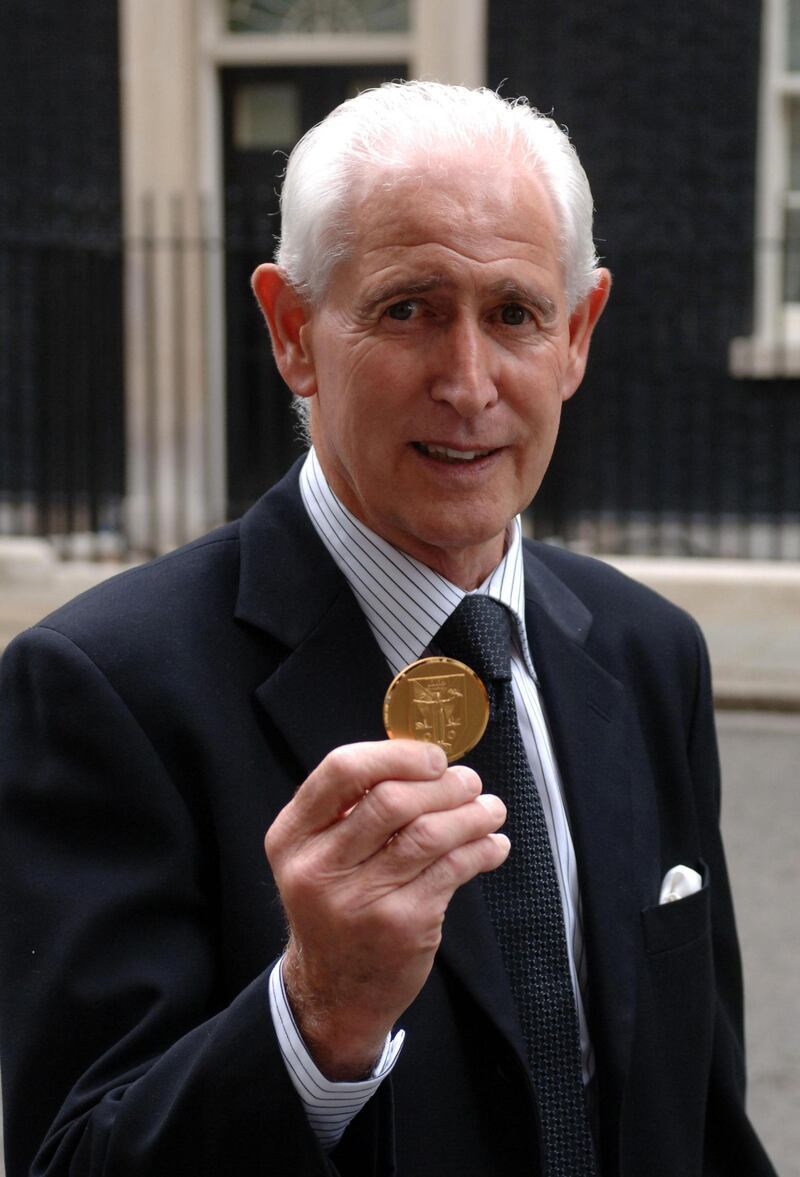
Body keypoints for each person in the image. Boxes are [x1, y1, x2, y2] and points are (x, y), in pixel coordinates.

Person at [0, 82, 777, 1177]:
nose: (466, 384)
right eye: (408, 307)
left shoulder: (646, 651)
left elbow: (697, 1116)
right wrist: (314, 1014)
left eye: (512, 313)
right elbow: (73, 1157)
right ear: (291, 332)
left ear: (576, 335)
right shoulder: (106, 688)